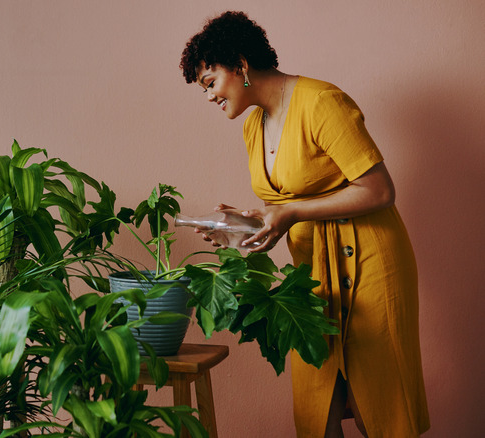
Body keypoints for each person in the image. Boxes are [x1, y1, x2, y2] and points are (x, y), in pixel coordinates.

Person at [179, 11, 430, 438]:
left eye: (209, 82)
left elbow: (380, 191)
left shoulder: (321, 102)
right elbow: (282, 206)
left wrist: (290, 213)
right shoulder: (254, 126)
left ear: (240, 64)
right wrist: (247, 222)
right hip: (312, 275)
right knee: (320, 408)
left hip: (370, 264)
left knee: (380, 406)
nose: (208, 97)